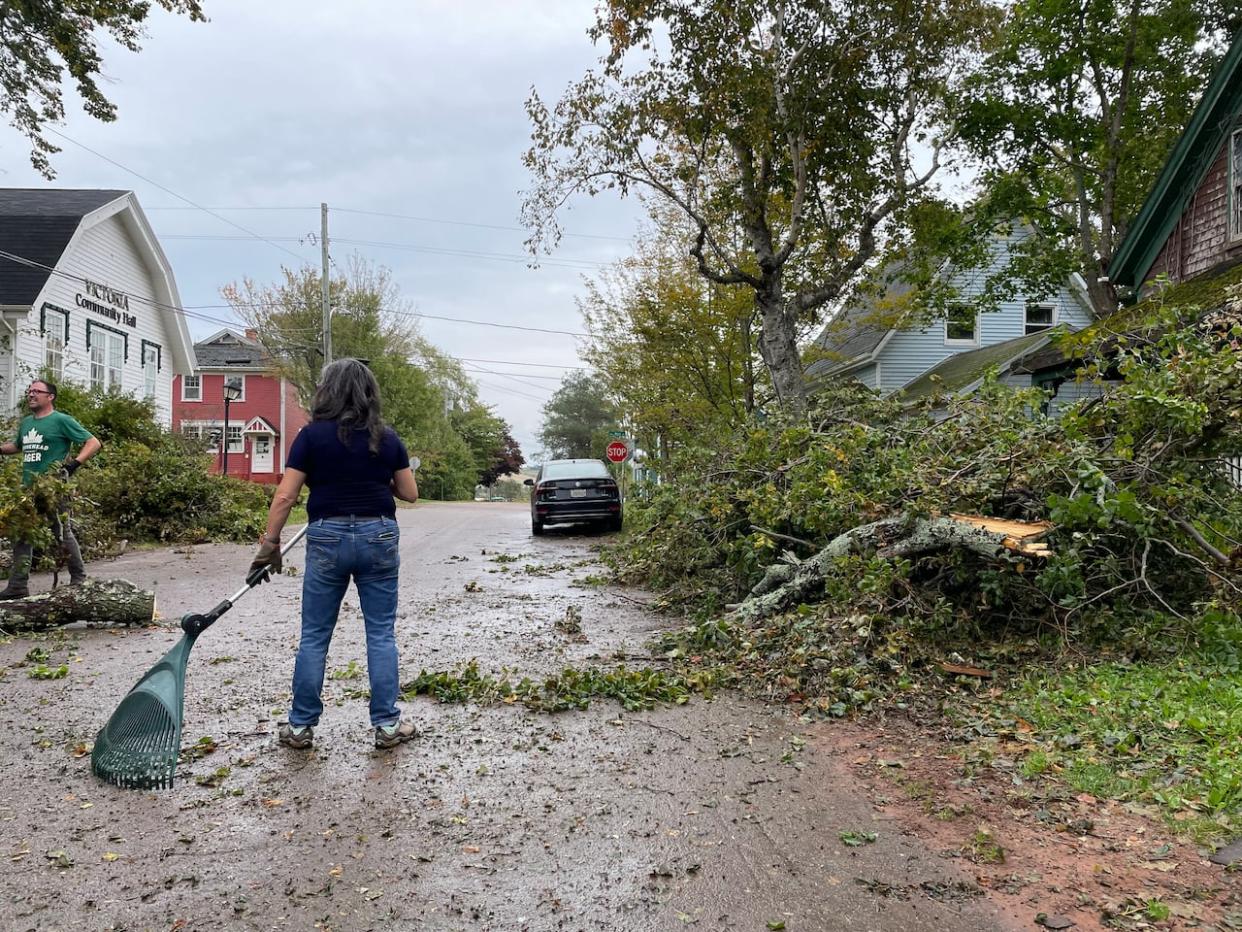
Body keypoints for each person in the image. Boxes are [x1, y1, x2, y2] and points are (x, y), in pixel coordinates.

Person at [249, 358, 419, 750]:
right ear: (368, 393)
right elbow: (409, 492)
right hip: (378, 534)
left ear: (327, 391)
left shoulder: (311, 437)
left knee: (314, 634)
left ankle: (299, 727)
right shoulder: (387, 438)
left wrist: (270, 544)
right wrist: (375, 479)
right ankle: (388, 727)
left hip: (327, 536)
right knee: (379, 632)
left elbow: (286, 495)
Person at [0, 379, 102, 599]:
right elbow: (17, 447)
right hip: (28, 488)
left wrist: (74, 464)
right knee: (22, 534)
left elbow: (93, 442)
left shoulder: (61, 420)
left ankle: (79, 579)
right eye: (29, 391)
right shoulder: (27, 422)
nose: (31, 394)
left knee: (61, 533)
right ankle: (17, 586)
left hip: (53, 486)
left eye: (37, 391)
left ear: (50, 397)